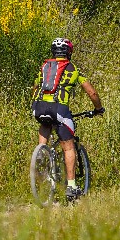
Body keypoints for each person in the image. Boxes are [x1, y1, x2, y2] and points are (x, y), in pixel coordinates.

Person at [31, 37, 104, 201]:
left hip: (38, 107)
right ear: (69, 52)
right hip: (59, 110)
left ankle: (41, 154)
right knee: (69, 147)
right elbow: (92, 93)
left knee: (45, 123)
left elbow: (35, 87)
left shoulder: (45, 67)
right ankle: (71, 186)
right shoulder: (73, 69)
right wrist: (98, 109)